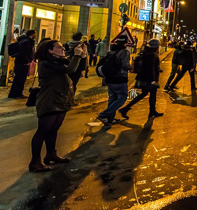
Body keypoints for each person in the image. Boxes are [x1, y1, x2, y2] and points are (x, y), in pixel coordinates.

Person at [29, 39, 86, 172]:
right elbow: (71, 69)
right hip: (50, 100)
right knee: (42, 131)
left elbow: (76, 69)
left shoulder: (58, 60)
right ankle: (35, 161)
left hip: (61, 99)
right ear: (50, 51)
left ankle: (51, 154)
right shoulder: (46, 63)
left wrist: (82, 56)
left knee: (53, 129)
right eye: (59, 48)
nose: (63, 50)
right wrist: (77, 55)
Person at [118, 39, 163, 119]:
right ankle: (151, 111)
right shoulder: (152, 55)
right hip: (149, 78)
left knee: (144, 93)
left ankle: (126, 108)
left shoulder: (144, 52)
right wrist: (153, 79)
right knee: (152, 94)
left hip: (142, 76)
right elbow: (151, 68)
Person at [97, 37, 132, 125]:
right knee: (122, 97)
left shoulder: (111, 51)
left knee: (112, 99)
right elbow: (125, 65)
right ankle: (103, 114)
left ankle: (110, 119)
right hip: (119, 78)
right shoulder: (124, 52)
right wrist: (131, 67)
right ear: (126, 43)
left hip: (109, 78)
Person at [8, 29, 36, 99]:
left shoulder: (24, 41)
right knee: (20, 79)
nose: (35, 35)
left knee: (18, 79)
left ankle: (14, 93)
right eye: (35, 34)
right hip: (22, 63)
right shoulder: (26, 42)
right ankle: (17, 93)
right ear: (32, 34)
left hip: (20, 63)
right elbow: (23, 53)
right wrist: (27, 61)